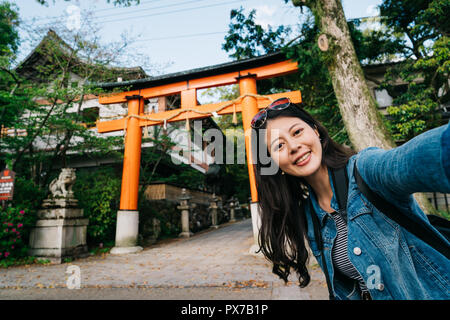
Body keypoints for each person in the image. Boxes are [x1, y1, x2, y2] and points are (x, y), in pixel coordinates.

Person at [250, 97, 450, 300]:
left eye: (297, 132)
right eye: (279, 146)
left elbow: (406, 161)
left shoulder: (365, 170)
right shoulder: (311, 214)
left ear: (316, 131)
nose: (293, 146)